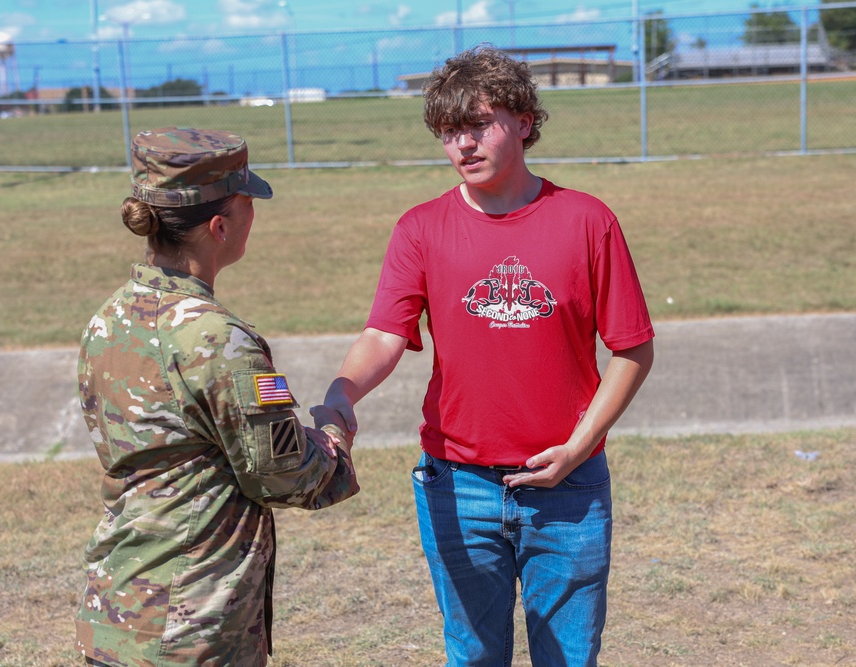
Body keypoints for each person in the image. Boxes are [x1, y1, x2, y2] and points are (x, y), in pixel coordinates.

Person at [321, 46, 655, 666]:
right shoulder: (420, 228)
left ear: (525, 121)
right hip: (458, 484)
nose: (463, 146)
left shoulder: (587, 221)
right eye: (449, 133)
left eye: (479, 125)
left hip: (569, 488)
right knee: (472, 656)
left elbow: (633, 347)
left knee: (570, 658)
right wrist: (341, 392)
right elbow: (384, 334)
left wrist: (579, 447)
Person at [75, 127, 359, 667]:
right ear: (219, 225)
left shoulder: (109, 317)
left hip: (119, 608)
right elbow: (283, 474)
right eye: (247, 202)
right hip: (193, 625)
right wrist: (333, 435)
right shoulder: (217, 339)